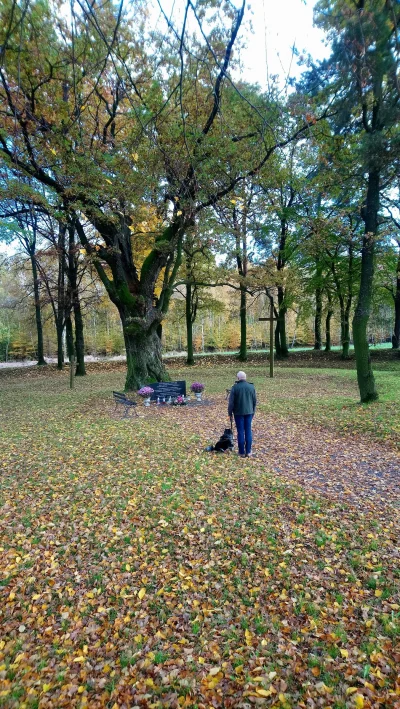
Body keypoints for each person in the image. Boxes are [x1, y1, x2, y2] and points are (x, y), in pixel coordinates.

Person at [228, 371, 256, 458]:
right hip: (249, 412)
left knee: (240, 431)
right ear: (245, 377)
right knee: (248, 431)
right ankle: (248, 451)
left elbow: (231, 403)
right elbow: (254, 401)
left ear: (238, 378)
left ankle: (241, 452)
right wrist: (253, 412)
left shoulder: (235, 388)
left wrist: (230, 413)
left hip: (238, 413)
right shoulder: (251, 387)